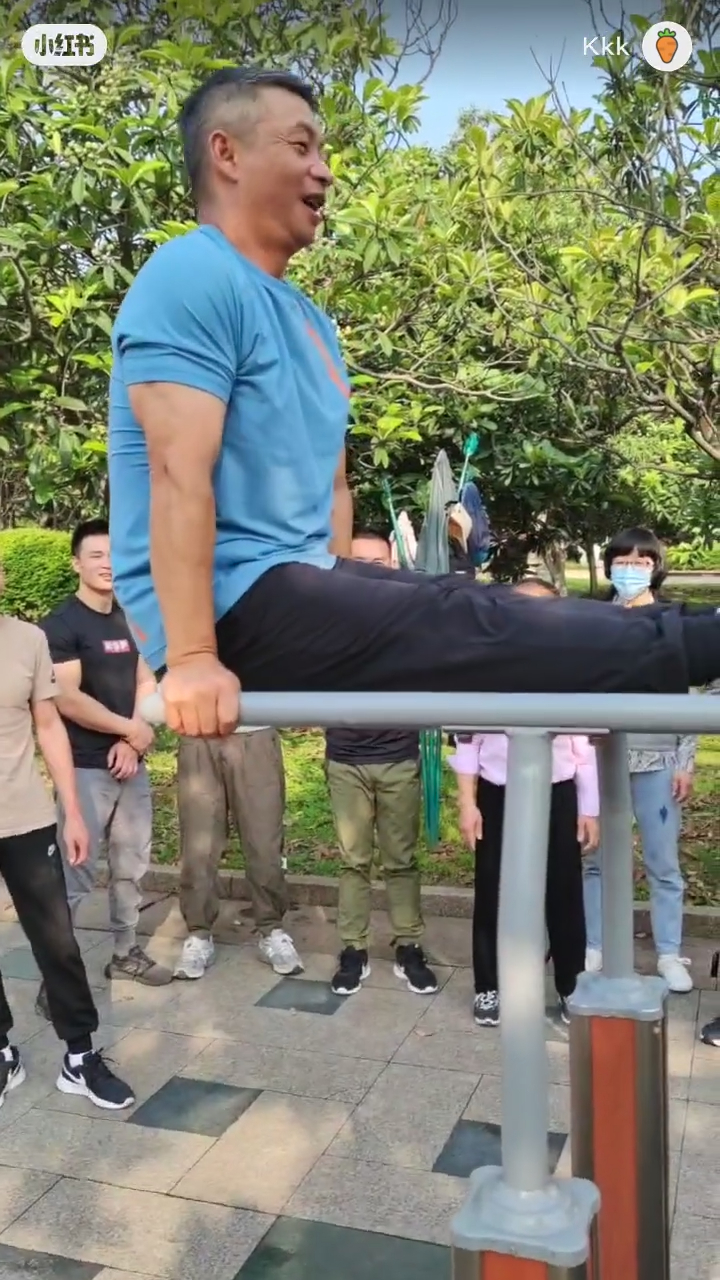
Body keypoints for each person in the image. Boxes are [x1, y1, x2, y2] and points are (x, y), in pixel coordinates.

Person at [106, 67, 720, 744]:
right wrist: (193, 658)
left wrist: (337, 640)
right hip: (228, 611)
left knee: (482, 601)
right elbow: (177, 474)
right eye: (301, 146)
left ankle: (694, 634)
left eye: (323, 151)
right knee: (472, 623)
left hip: (294, 585)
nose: (324, 171)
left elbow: (333, 487)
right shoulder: (191, 274)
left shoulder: (311, 322)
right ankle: (699, 645)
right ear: (226, 153)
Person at [0, 575, 134, 1110]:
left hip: (25, 819)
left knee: (57, 941)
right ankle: (2, 1052)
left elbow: (50, 726)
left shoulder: (28, 639)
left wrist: (73, 811)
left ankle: (79, 1057)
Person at [450, 579, 599, 1027]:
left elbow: (584, 750)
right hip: (498, 793)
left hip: (557, 793)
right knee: (491, 889)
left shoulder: (573, 672)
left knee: (564, 893)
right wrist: (467, 803)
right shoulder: (482, 669)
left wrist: (588, 808)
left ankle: (571, 987)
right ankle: (489, 986)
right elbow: (466, 744)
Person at [39, 519, 172, 1008]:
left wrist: (134, 741)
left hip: (129, 765)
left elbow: (146, 681)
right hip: (83, 768)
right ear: (77, 563)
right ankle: (58, 979)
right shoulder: (60, 625)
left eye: (114, 555)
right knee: (75, 876)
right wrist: (129, 730)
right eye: (96, 555)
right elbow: (67, 697)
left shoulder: (131, 618)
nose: (107, 564)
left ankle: (124, 951)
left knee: (130, 865)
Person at [582, 527, 702, 995]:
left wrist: (685, 761)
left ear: (656, 567)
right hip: (599, 759)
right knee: (594, 859)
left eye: (641, 562)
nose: (631, 570)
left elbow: (694, 693)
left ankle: (669, 952)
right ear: (609, 566)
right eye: (622, 561)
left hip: (658, 759)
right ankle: (595, 944)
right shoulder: (593, 621)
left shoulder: (672, 623)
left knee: (662, 862)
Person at [324, 530, 437, 997]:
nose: (367, 572)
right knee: (353, 861)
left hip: (398, 757)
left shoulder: (408, 618)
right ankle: (353, 947)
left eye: (377, 563)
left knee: (401, 859)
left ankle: (408, 944)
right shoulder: (326, 619)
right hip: (346, 759)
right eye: (357, 562)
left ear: (392, 566)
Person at [174, 727, 303, 979]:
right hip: (198, 734)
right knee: (198, 846)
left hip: (255, 731)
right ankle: (199, 935)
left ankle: (272, 929)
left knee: (264, 844)